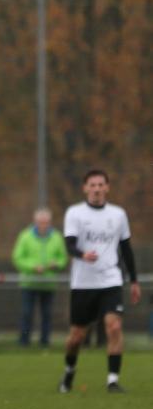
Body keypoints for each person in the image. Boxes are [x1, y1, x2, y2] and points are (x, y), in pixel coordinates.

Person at [59, 169, 141, 394]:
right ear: (85, 188)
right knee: (76, 337)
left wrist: (134, 280)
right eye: (92, 185)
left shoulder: (118, 214)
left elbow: (126, 249)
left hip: (110, 280)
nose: (96, 189)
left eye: (100, 185)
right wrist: (82, 254)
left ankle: (113, 380)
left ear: (107, 187)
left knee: (114, 326)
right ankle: (69, 370)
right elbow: (69, 245)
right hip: (83, 283)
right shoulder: (75, 213)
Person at [11, 208, 67, 346]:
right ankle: (24, 341)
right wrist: (33, 267)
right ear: (35, 222)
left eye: (46, 222)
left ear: (50, 222)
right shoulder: (25, 236)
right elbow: (17, 258)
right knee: (27, 313)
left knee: (47, 314)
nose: (43, 225)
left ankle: (45, 342)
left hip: (49, 283)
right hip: (29, 283)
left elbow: (63, 258)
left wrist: (56, 264)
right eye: (41, 222)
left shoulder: (57, 237)